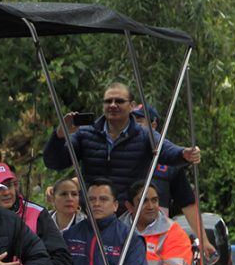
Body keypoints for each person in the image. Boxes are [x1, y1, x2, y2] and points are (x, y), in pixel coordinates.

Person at [43, 82, 201, 208]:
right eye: (108, 101)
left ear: (131, 105)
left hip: (128, 215)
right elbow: (54, 162)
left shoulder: (144, 135)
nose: (112, 105)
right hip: (91, 212)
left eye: (119, 101)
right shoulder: (85, 133)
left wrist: (185, 154)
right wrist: (59, 135)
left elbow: (168, 151)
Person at [133, 104, 216, 256]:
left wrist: (203, 241)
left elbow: (188, 203)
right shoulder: (121, 154)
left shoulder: (169, 162)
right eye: (131, 120)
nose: (134, 125)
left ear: (153, 124)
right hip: (126, 236)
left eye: (139, 120)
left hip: (157, 241)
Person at [0, 162, 71, 265]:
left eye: (9, 185)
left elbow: (62, 260)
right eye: (0, 187)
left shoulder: (38, 214)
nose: (7, 192)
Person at [60, 178, 147, 265]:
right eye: (91, 199)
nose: (96, 204)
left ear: (115, 205)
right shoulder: (70, 235)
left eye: (103, 199)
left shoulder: (131, 239)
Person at [124, 181, 192, 265]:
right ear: (129, 206)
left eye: (154, 200)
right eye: (144, 201)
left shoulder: (173, 232)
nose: (151, 206)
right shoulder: (116, 231)